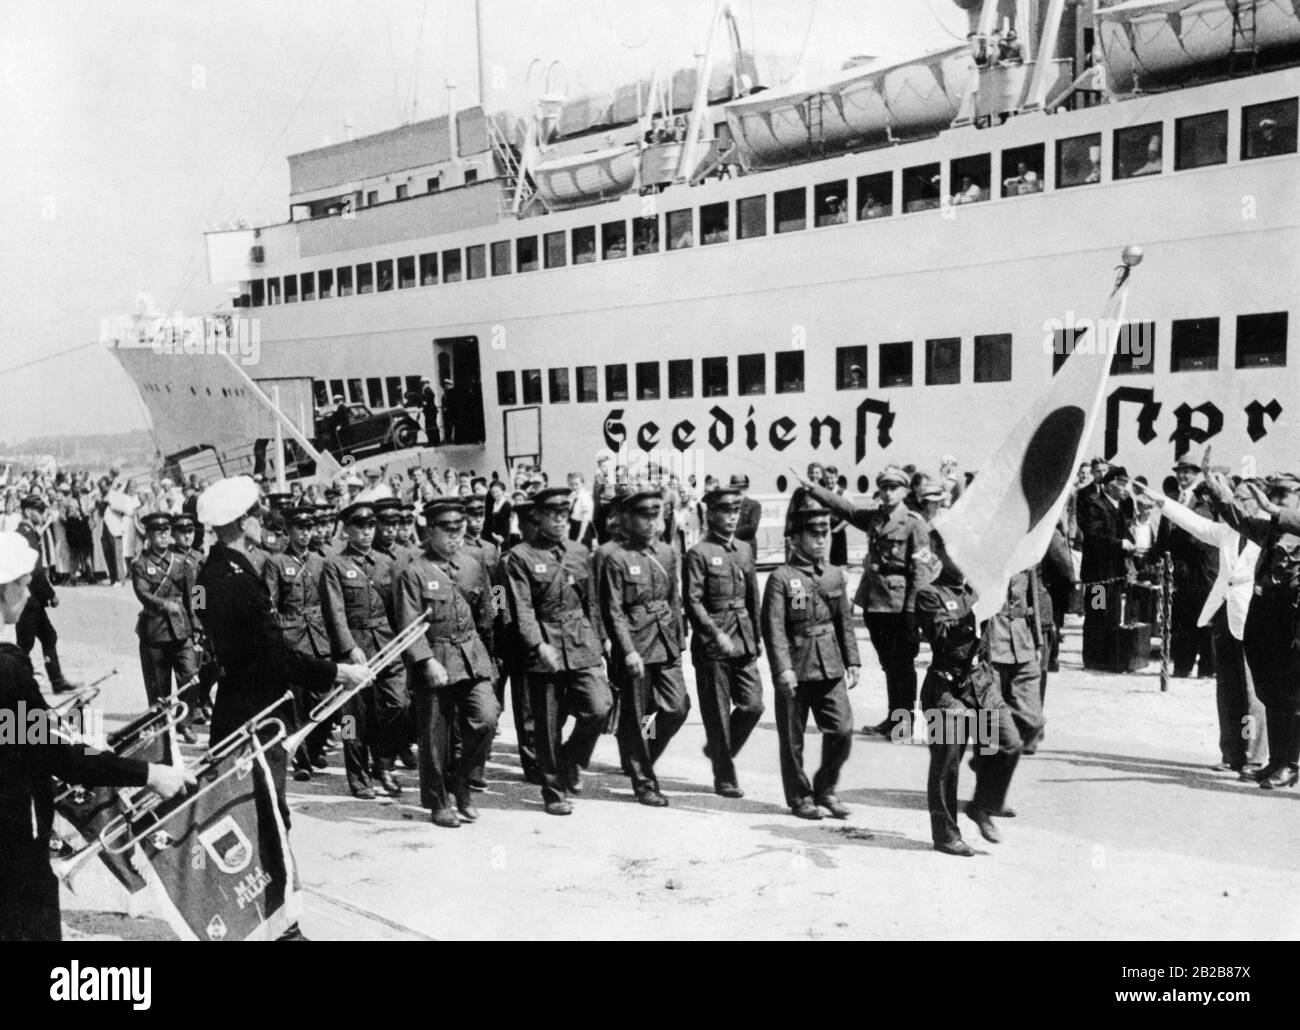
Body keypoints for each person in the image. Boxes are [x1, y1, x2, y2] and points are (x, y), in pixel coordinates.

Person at [0, 531, 195, 940]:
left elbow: (16, 733)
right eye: (22, 583)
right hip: (15, 835)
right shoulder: (8, 670)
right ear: (3, 590)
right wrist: (150, 774)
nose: (28, 591)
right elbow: (60, 758)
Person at [1134, 478, 1267, 777]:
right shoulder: (1228, 532)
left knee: (1252, 692)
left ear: (1259, 501)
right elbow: (1195, 523)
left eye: (1244, 498)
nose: (1237, 503)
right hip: (1224, 615)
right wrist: (1160, 501)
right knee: (1228, 690)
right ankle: (1231, 753)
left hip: (1253, 618)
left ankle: (1254, 756)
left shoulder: (1267, 532)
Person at [503, 488, 612, 815]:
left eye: (565, 516)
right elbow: (521, 609)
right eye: (554, 516)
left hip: (580, 640)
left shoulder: (580, 552)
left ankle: (571, 759)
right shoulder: (520, 557)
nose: (561, 522)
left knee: (599, 706)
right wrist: (537, 645)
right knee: (548, 724)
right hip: (545, 643)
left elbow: (592, 601)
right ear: (537, 517)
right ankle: (553, 792)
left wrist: (601, 638)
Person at [801, 466, 931, 738]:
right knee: (888, 664)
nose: (887, 492)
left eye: (893, 487)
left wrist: (912, 611)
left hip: (899, 605)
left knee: (903, 666)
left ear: (905, 490)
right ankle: (894, 717)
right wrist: (814, 488)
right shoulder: (875, 518)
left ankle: (903, 722)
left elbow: (920, 571)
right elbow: (845, 509)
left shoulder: (913, 522)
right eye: (883, 486)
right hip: (875, 603)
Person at [394, 498, 500, 827]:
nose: (455, 536)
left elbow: (488, 605)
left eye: (460, 528)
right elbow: (409, 625)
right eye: (447, 529)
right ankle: (439, 801)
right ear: (429, 530)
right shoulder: (413, 571)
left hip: (471, 655)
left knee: (486, 719)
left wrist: (492, 652)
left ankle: (462, 782)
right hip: (436, 657)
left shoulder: (472, 563)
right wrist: (425, 661)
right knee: (434, 736)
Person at [914, 533, 1020, 856]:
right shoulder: (929, 595)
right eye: (954, 553)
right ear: (940, 555)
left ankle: (983, 805)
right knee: (947, 761)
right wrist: (973, 616)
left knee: (1009, 742)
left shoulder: (975, 591)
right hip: (946, 687)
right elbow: (942, 636)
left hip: (980, 682)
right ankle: (946, 835)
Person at [1200, 464, 1300, 789]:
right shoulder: (1271, 530)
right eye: (1273, 494)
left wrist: (1275, 511)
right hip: (1268, 620)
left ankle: (1292, 763)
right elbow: (1239, 520)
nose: (1274, 500)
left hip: (1294, 623)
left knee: (1294, 696)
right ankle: (1277, 761)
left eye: (1284, 495)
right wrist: (1220, 494)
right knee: (1271, 693)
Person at [761, 490, 859, 820]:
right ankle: (800, 797)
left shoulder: (833, 575)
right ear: (797, 537)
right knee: (793, 741)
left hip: (829, 665)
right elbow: (774, 628)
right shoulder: (782, 579)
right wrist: (782, 670)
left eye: (825, 535)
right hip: (795, 669)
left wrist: (853, 660)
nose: (821, 541)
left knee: (842, 730)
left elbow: (844, 620)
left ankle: (826, 788)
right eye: (814, 535)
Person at [600, 487, 689, 807]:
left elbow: (674, 599)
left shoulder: (667, 553)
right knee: (635, 716)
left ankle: (643, 756)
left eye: (656, 515)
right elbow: (613, 609)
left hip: (665, 641)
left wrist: (679, 640)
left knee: (677, 708)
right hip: (635, 644)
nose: (651, 522)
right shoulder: (615, 557)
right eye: (644, 516)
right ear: (628, 519)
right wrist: (627, 650)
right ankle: (644, 782)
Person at [320, 498, 407, 800]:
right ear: (346, 530)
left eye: (371, 525)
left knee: (398, 705)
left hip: (387, 644)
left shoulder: (387, 564)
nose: (367, 532)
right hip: (354, 648)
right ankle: (357, 776)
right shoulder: (335, 565)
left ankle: (383, 763)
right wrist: (348, 647)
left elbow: (398, 608)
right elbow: (335, 611)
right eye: (360, 526)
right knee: (352, 719)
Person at [683, 486, 763, 797]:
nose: (731, 517)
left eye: (735, 511)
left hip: (742, 637)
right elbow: (692, 601)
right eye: (725, 512)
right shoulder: (698, 554)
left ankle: (719, 749)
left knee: (753, 705)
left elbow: (753, 596)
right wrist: (715, 633)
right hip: (713, 643)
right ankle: (725, 775)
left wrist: (756, 637)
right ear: (711, 515)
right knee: (717, 713)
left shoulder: (744, 549)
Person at [262, 506, 334, 781]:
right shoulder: (276, 562)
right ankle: (302, 760)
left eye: (309, 528)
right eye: (299, 528)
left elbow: (329, 603)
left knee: (327, 701)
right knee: (297, 705)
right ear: (289, 531)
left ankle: (314, 749)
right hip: (291, 638)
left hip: (319, 637)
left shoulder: (320, 561)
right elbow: (270, 604)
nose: (305, 533)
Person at [130, 512, 200, 744]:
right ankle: (161, 724)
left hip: (182, 629)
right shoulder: (140, 564)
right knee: (158, 683)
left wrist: (198, 623)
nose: (162, 536)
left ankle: (186, 723)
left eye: (166, 531)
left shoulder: (181, 562)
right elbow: (143, 593)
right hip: (155, 630)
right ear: (148, 535)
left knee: (190, 676)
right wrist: (164, 604)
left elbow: (194, 594)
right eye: (157, 532)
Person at [1156, 460, 1218, 678]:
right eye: (1179, 473)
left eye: (1187, 473)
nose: (1182, 477)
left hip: (1200, 570)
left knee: (1204, 619)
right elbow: (1164, 533)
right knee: (1181, 621)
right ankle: (1182, 666)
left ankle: (1207, 667)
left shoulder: (1203, 499)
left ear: (1195, 474)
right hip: (1177, 570)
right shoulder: (1172, 499)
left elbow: (1200, 535)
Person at [15, 495, 76, 692]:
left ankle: (56, 681)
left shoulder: (27, 533)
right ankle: (18, 686)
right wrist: (51, 594)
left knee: (48, 636)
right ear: (27, 512)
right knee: (24, 646)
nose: (42, 515)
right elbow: (36, 571)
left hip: (32, 600)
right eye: (39, 511)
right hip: (28, 599)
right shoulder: (27, 535)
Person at [1079, 465, 1136, 669]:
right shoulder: (1095, 505)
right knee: (1097, 614)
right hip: (1098, 575)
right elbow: (1095, 537)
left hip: (1113, 573)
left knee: (1111, 614)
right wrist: (1121, 544)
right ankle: (1093, 658)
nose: (1125, 488)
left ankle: (1107, 657)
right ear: (1109, 485)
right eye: (1121, 484)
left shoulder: (1118, 506)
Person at [732, 474, 763, 546]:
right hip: (731, 547)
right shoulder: (729, 505)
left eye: (742, 488)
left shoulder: (754, 505)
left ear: (746, 488)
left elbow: (752, 528)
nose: (739, 491)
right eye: (736, 488)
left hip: (747, 545)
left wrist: (730, 534)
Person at [419, 378, 440, 447]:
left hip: (430, 411)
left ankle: (433, 442)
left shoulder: (427, 389)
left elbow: (431, 396)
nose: (423, 385)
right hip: (430, 411)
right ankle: (435, 441)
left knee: (431, 426)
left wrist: (425, 402)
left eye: (423, 383)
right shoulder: (426, 390)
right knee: (432, 426)